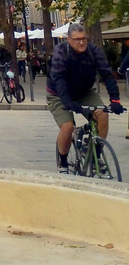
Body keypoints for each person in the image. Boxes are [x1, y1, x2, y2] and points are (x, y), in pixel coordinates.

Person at [47, 22, 124, 173]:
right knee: (67, 127)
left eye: (84, 38)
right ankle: (63, 163)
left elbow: (107, 74)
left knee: (102, 114)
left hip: (84, 92)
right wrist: (67, 101)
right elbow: (59, 77)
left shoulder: (93, 51)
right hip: (58, 93)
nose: (81, 42)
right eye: (77, 39)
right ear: (69, 39)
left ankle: (96, 154)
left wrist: (115, 100)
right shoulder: (61, 51)